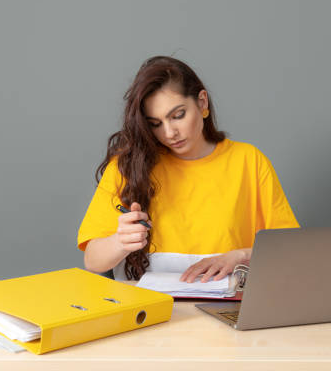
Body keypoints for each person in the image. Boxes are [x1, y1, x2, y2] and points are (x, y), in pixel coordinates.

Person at [77, 56, 299, 282]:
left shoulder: (249, 161)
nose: (169, 133)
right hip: (148, 310)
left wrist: (242, 256)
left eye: (178, 115)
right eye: (155, 124)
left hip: (228, 310)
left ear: (202, 103)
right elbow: (93, 261)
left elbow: (290, 250)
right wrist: (120, 242)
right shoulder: (127, 166)